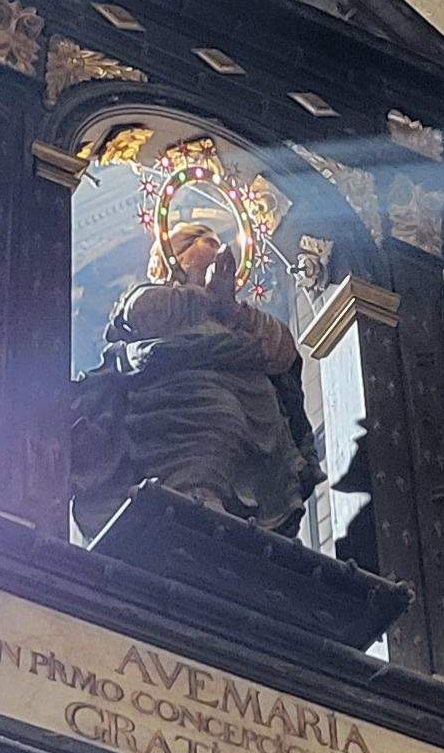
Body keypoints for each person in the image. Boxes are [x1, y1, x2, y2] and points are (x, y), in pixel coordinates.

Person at [67, 220, 321, 534]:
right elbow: (140, 313)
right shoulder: (154, 295)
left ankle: (239, 510)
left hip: (251, 400)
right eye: (208, 244)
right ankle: (196, 492)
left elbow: (282, 350)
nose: (219, 252)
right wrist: (208, 299)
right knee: (218, 412)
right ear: (176, 257)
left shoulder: (235, 314)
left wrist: (230, 309)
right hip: (181, 389)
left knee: (250, 420)